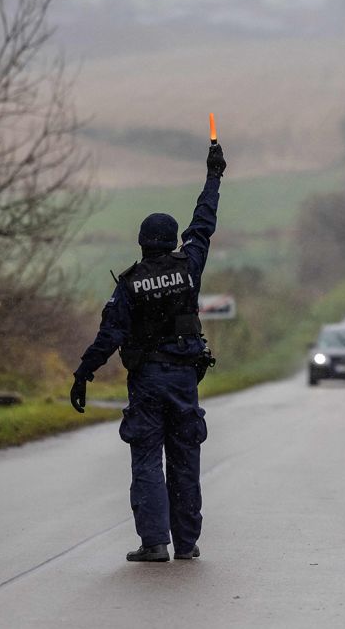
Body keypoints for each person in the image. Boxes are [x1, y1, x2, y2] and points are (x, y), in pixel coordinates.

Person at [70, 141, 227, 563]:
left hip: (147, 382)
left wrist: (83, 374)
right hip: (183, 381)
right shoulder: (188, 267)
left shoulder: (129, 284)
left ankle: (155, 543)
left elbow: (110, 335)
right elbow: (203, 225)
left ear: (142, 243)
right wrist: (214, 176)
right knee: (185, 461)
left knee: (146, 460)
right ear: (171, 241)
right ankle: (187, 543)